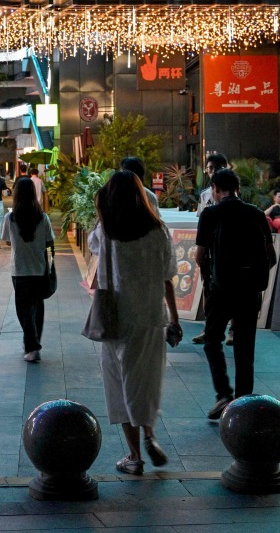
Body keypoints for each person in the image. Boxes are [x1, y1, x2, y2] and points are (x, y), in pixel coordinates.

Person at [89, 171, 181, 474]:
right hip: (152, 317)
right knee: (146, 381)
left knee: (119, 382)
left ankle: (134, 456)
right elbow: (167, 276)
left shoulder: (106, 231)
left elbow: (92, 250)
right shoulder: (158, 231)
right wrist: (175, 319)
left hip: (116, 318)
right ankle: (151, 435)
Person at [193, 168, 276, 420]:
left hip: (220, 290)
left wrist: (212, 275)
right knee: (244, 346)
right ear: (238, 188)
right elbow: (270, 257)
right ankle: (243, 402)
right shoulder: (255, 213)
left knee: (212, 340)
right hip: (250, 290)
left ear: (216, 190)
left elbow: (199, 256)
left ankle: (223, 395)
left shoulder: (210, 214)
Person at [1, 177, 55, 362]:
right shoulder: (43, 217)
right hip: (39, 269)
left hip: (20, 270)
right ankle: (32, 343)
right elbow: (49, 241)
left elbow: (7, 241)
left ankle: (32, 346)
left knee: (23, 310)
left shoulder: (10, 218)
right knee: (37, 308)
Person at [192, 152, 231, 346]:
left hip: (230, 252)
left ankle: (233, 330)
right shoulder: (205, 195)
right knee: (209, 291)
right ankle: (210, 329)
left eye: (216, 168)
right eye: (209, 169)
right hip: (209, 252)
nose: (212, 172)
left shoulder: (237, 192)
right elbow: (202, 222)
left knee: (232, 292)